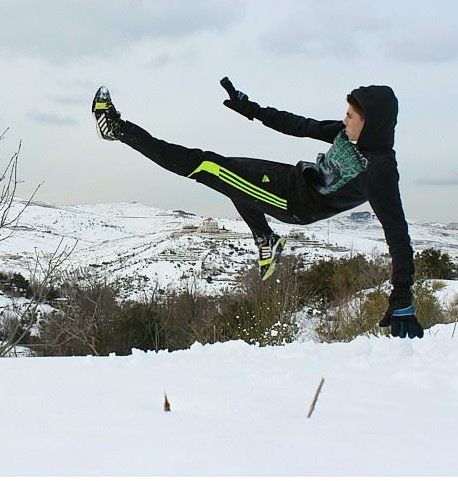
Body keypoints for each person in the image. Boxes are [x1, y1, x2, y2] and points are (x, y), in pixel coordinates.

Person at [91, 78, 423, 339]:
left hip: (293, 203)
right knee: (230, 172)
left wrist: (402, 297)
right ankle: (266, 239)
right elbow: (298, 124)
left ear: (371, 123)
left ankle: (117, 129)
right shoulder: (344, 134)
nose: (344, 119)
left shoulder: (379, 170)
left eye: (351, 116)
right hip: (291, 177)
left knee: (206, 166)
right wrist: (251, 108)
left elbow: (397, 234)